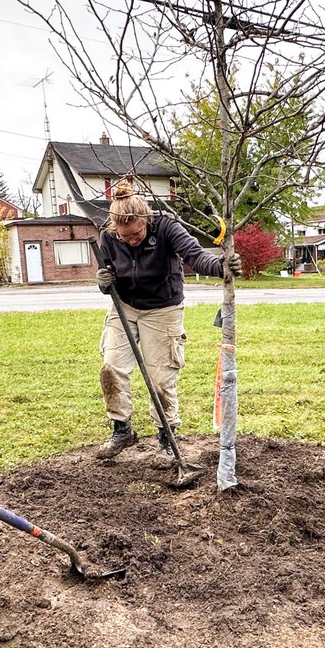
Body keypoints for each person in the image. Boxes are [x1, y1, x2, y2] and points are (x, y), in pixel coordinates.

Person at [94, 178, 241, 460]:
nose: (131, 241)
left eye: (136, 234)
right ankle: (122, 429)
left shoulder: (167, 227)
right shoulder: (109, 236)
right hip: (124, 306)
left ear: (146, 220)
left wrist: (221, 266)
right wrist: (103, 280)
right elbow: (107, 272)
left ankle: (166, 436)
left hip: (163, 308)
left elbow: (195, 256)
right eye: (125, 237)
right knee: (111, 368)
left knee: (161, 378)